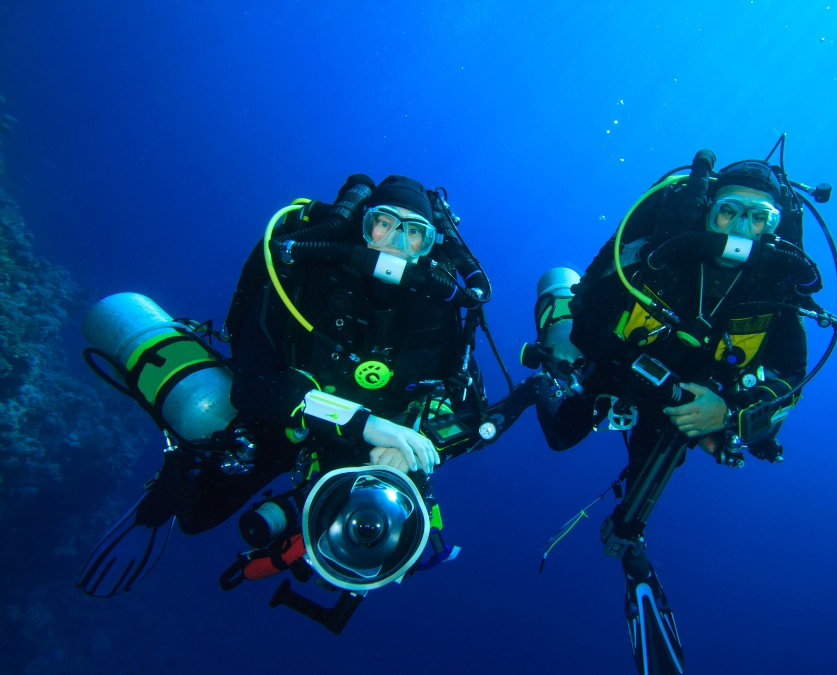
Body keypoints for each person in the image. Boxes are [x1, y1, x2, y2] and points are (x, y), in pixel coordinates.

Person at [78, 174, 534, 630]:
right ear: (361, 224)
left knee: (377, 528)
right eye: (384, 223)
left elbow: (467, 409)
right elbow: (253, 386)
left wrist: (414, 443)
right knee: (197, 514)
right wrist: (363, 423)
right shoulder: (303, 274)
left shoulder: (441, 310)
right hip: (283, 420)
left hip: (363, 447)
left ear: (429, 245)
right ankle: (167, 488)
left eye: (415, 231)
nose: (397, 242)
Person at [523, 151, 825, 675]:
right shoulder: (658, 255)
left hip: (692, 399)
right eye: (730, 211)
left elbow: (792, 374)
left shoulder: (774, 287)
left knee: (672, 449)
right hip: (621, 368)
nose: (742, 229)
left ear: (777, 228)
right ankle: (541, 385)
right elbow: (591, 323)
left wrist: (728, 412)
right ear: (706, 208)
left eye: (760, 218)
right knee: (563, 434)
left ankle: (629, 538)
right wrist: (670, 393)